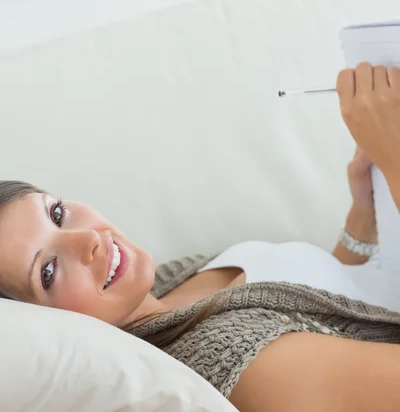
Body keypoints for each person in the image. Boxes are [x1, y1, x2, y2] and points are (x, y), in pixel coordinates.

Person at [1, 62, 400, 412]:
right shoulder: (239, 366)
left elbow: (325, 311)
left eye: (56, 213)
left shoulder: (160, 285)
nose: (86, 238)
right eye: (48, 271)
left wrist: (359, 225)